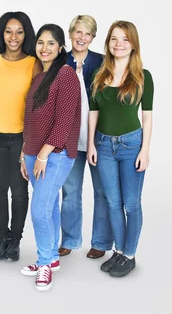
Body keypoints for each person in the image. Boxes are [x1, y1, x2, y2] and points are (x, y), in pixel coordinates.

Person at [88, 20, 153, 278]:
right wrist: (92, 143)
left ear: (133, 44)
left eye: (125, 39)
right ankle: (118, 250)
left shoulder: (142, 76)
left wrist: (145, 150)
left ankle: (130, 254)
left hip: (131, 145)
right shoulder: (99, 75)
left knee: (131, 203)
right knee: (113, 203)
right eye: (114, 39)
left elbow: (147, 116)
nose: (119, 44)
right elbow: (93, 112)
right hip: (103, 146)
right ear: (108, 43)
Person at [20, 24, 81, 292]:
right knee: (50, 208)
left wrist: (43, 155)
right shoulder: (39, 77)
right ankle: (52, 258)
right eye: (40, 43)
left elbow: (64, 122)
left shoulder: (66, 75)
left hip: (55, 155)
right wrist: (25, 153)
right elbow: (31, 119)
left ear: (60, 47)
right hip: (34, 154)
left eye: (51, 43)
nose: (45, 48)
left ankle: (44, 263)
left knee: (40, 211)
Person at [0, 11, 41, 262]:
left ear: (26, 34)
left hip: (21, 139)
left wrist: (29, 144)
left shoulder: (33, 63)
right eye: (8, 31)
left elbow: (36, 107)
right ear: (1, 34)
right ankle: (2, 238)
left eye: (19, 31)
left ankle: (15, 241)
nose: (13, 37)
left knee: (19, 192)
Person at [59, 15, 112, 259]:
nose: (82, 38)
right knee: (70, 191)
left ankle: (100, 242)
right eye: (78, 32)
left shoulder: (102, 62)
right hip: (68, 138)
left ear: (93, 37)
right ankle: (69, 239)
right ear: (70, 34)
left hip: (97, 138)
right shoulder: (60, 60)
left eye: (87, 34)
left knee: (101, 191)